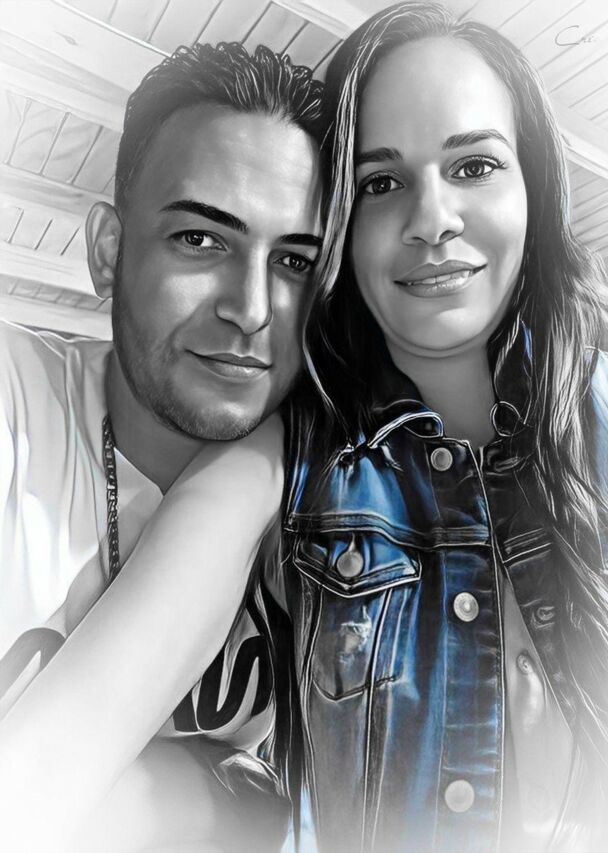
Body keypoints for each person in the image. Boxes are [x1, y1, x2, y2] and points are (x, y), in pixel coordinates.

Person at [1, 4, 608, 853]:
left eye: (476, 165)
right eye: (380, 182)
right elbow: (51, 764)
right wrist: (215, 798)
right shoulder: (280, 461)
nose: (433, 218)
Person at [0, 40, 323, 852]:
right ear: (107, 252)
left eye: (293, 261)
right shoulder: (16, 399)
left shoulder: (334, 506)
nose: (252, 308)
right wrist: (209, 793)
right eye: (201, 240)